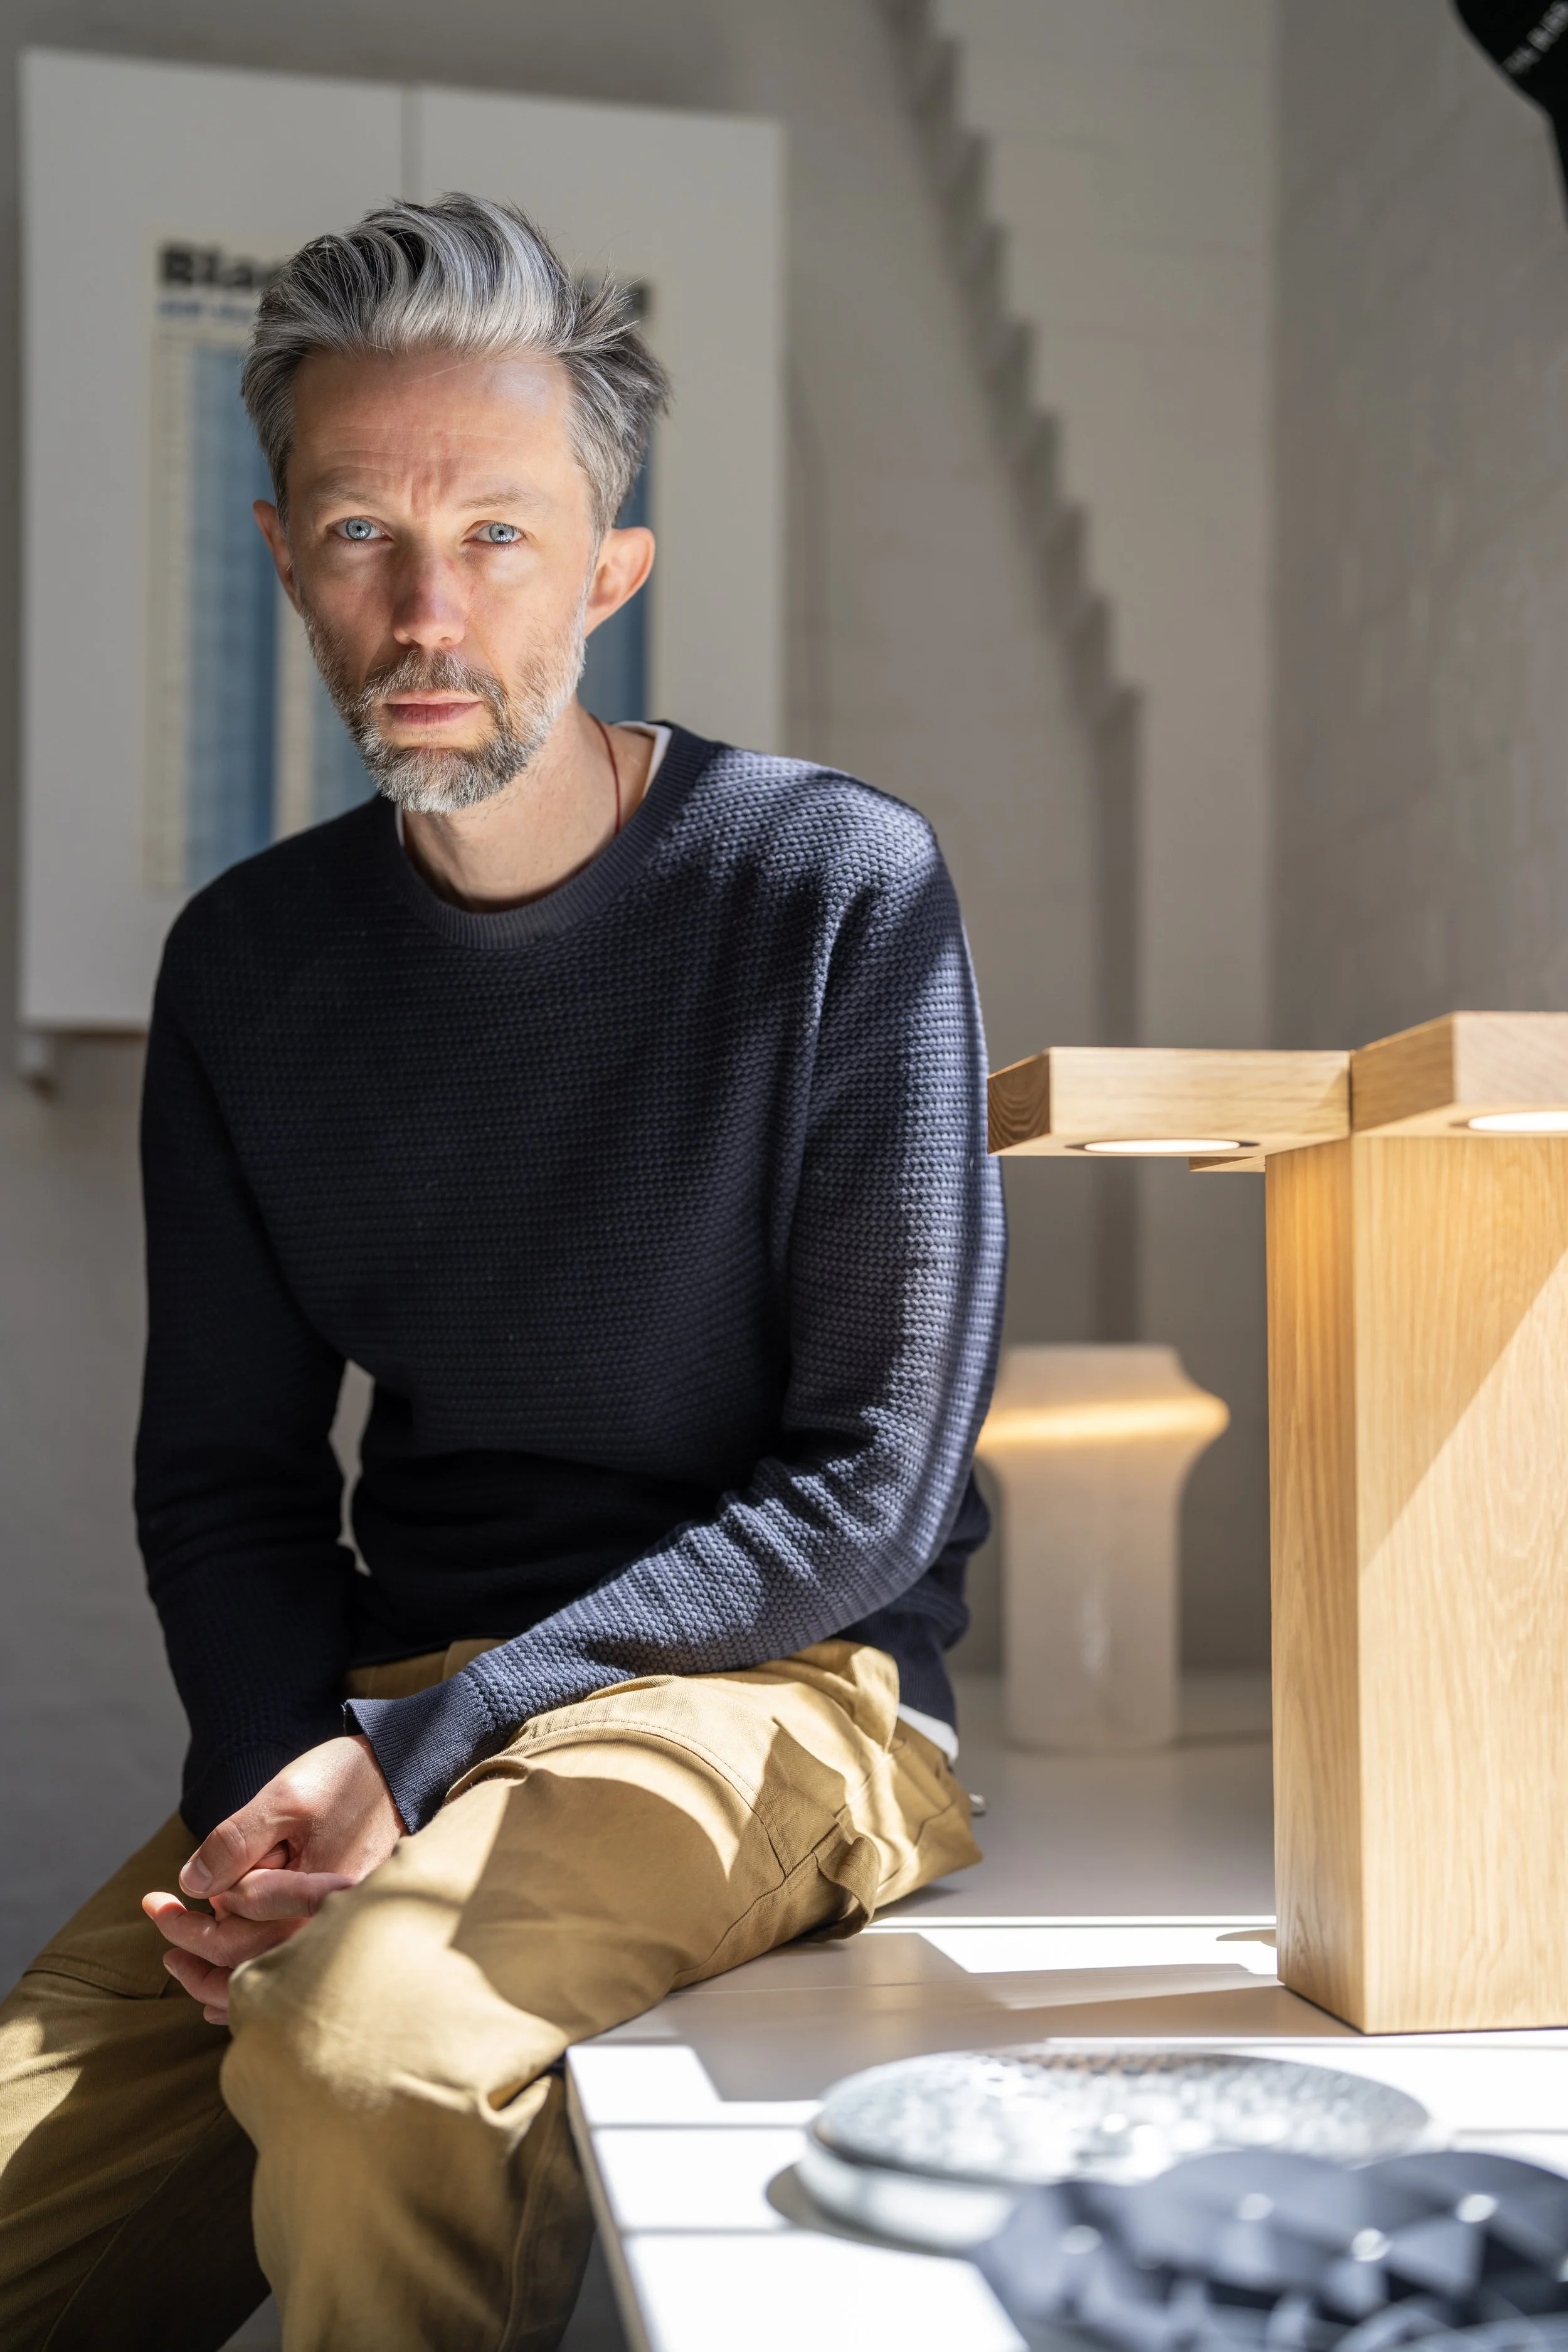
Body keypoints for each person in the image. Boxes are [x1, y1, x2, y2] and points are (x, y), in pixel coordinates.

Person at [0, 195, 1005, 2352]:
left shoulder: (831, 887)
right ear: (279, 553)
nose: (427, 607)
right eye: (363, 532)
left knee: (368, 2066)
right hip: (395, 1701)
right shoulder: (253, 968)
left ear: (610, 568)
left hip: (786, 1687)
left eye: (500, 534)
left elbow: (873, 1488)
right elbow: (234, 1476)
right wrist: (277, 1760)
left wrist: (429, 1750)